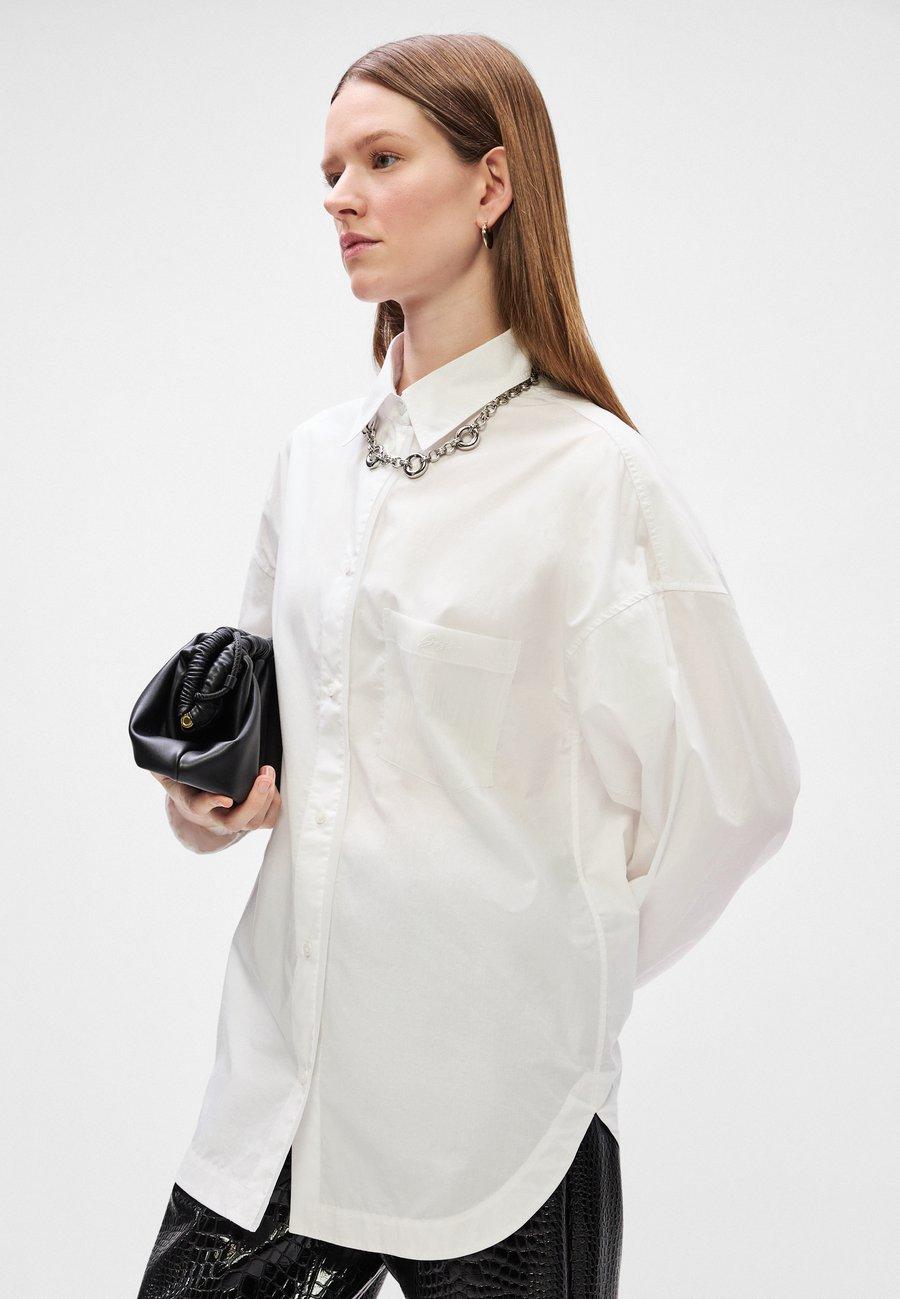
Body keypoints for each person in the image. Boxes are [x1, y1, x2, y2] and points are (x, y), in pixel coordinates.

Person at [137, 31, 801, 1299]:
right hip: (282, 1091)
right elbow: (275, 752)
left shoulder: (597, 479)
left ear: (492, 184)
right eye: (331, 171)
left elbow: (746, 792)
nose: (341, 196)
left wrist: (557, 972)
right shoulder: (312, 462)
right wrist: (205, 803)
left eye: (382, 159)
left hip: (501, 1122)